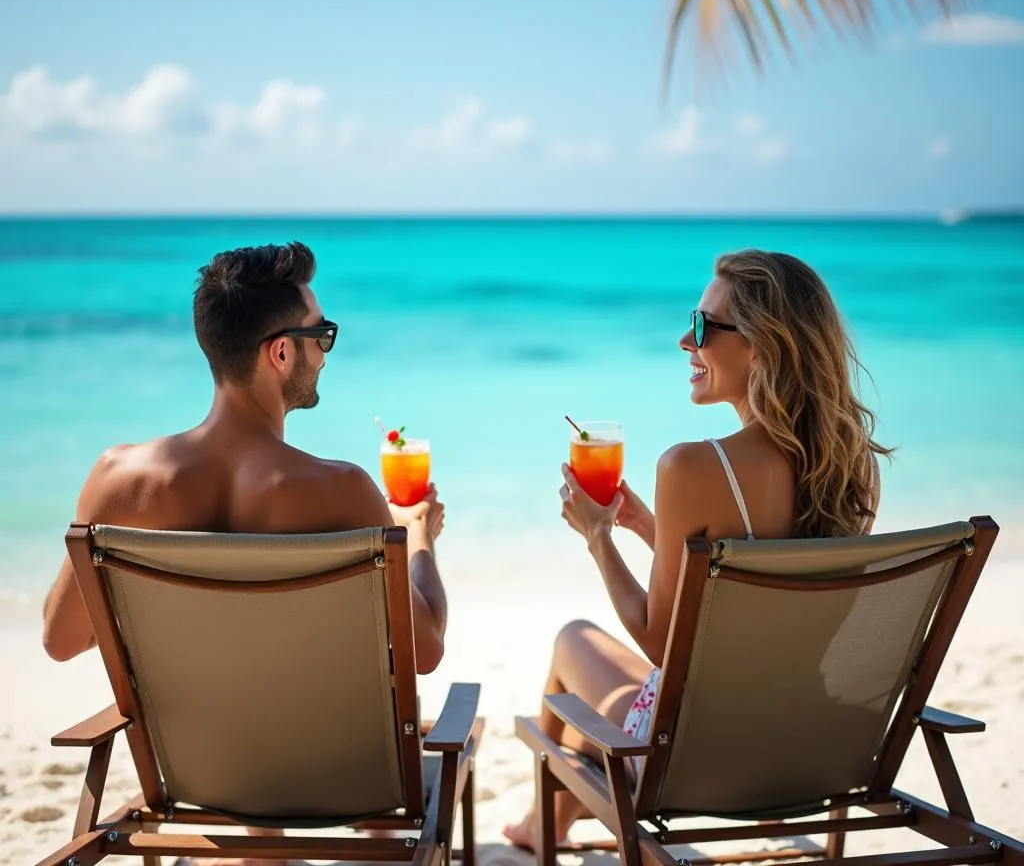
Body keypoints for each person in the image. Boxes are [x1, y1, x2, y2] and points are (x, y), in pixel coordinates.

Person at [41, 242, 448, 866]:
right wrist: (419, 537)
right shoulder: (340, 490)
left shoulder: (117, 479)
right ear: (280, 352)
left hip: (193, 776)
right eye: (323, 335)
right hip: (334, 777)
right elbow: (426, 651)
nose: (325, 351)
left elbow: (60, 638)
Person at [503, 249, 890, 849]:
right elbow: (761, 589)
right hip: (803, 742)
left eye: (705, 325)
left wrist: (599, 537)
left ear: (764, 346)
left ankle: (540, 826)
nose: (687, 340)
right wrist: (645, 526)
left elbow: (661, 641)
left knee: (573, 639)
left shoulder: (693, 465)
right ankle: (544, 822)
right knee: (619, 670)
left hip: (691, 756)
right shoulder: (851, 466)